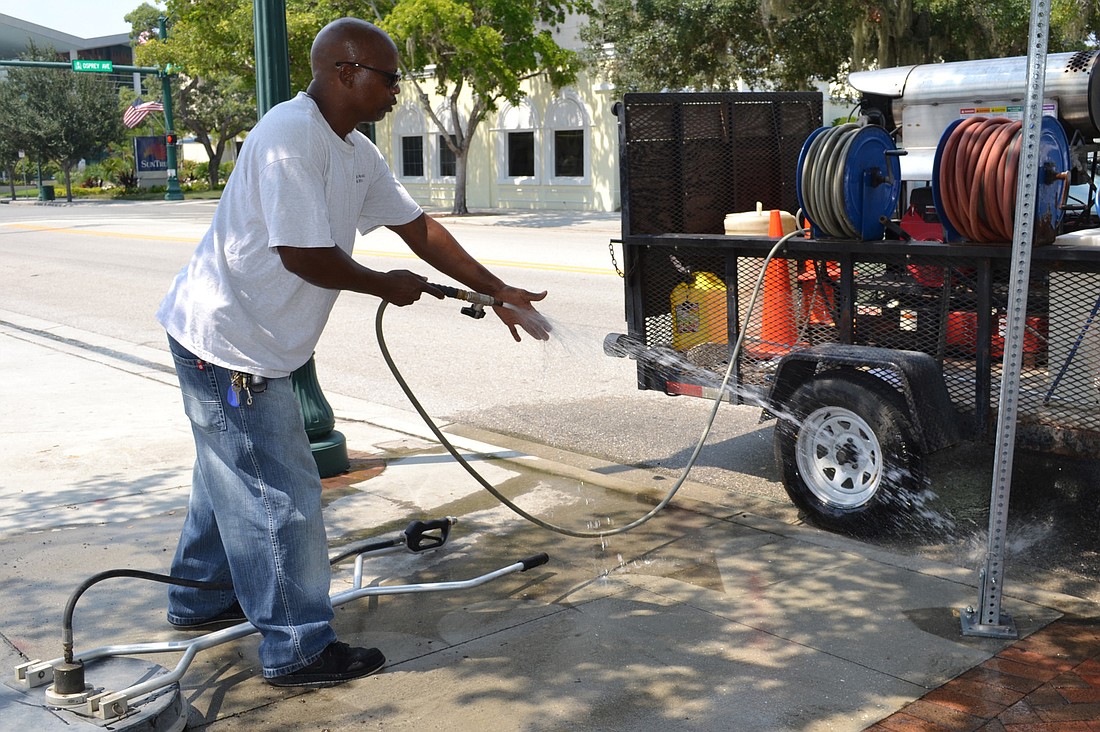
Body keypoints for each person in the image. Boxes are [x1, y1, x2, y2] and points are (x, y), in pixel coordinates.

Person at [155, 17, 550, 689]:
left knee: (230, 473)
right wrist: (384, 285)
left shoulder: (354, 149)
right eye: (389, 78)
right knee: (279, 495)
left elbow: (418, 228)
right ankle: (298, 648)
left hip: (248, 342)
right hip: (228, 345)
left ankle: (199, 599)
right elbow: (302, 254)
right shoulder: (290, 137)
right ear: (345, 72)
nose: (397, 91)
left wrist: (496, 290)